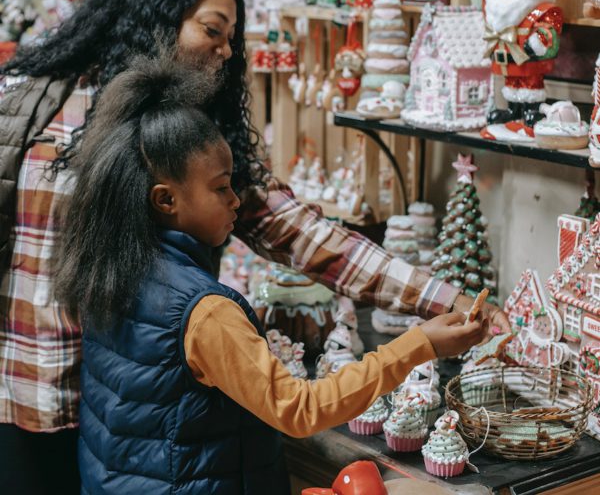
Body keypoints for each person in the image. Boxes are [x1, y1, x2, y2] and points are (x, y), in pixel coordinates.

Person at [0, 0, 510, 494]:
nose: (225, 52)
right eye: (212, 30)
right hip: (33, 397)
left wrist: (443, 299)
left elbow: (311, 237)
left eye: (231, 39)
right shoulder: (36, 99)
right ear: (155, 16)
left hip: (140, 419)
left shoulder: (195, 143)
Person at [54, 56, 488, 494]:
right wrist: (421, 345)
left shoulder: (106, 265)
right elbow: (298, 409)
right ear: (165, 200)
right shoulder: (203, 312)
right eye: (221, 188)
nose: (236, 202)